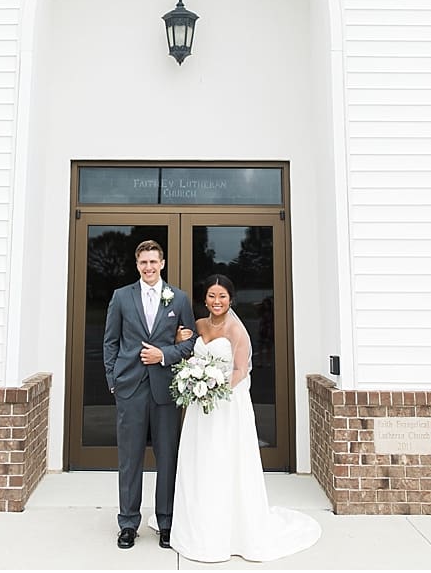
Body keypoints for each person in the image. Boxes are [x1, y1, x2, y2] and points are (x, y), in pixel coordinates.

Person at [165, 275, 321, 562]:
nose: (216, 301)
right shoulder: (199, 326)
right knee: (200, 460)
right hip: (200, 408)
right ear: (205, 299)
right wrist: (186, 360)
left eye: (222, 296)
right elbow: (185, 355)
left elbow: (240, 370)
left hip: (226, 404)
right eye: (211, 295)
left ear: (231, 299)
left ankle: (231, 530)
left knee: (225, 460)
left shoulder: (237, 330)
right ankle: (198, 524)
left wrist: (214, 387)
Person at [102, 239, 197, 549]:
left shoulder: (179, 299)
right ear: (137, 264)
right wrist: (112, 379)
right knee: (129, 459)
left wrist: (164, 355)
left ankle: (166, 521)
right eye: (143, 262)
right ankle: (128, 523)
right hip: (130, 387)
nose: (148, 267)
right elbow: (110, 341)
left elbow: (190, 343)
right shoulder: (121, 297)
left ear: (163, 263)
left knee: (167, 457)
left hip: (165, 389)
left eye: (153, 262)